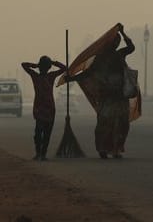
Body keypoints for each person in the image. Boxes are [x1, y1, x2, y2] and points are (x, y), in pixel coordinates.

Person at [69, 23, 135, 159]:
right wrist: (72, 78)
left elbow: (131, 47)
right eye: (114, 41)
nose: (116, 44)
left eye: (117, 41)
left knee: (122, 123)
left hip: (120, 95)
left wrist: (123, 33)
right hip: (107, 95)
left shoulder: (119, 55)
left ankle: (116, 149)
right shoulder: (100, 58)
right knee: (104, 123)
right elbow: (87, 73)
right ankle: (103, 149)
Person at [22, 56, 66, 161]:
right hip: (44, 108)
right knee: (43, 132)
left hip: (44, 108)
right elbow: (64, 68)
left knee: (41, 132)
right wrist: (52, 62)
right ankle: (41, 154)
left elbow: (24, 65)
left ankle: (40, 154)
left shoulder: (38, 76)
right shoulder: (44, 76)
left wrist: (36, 65)